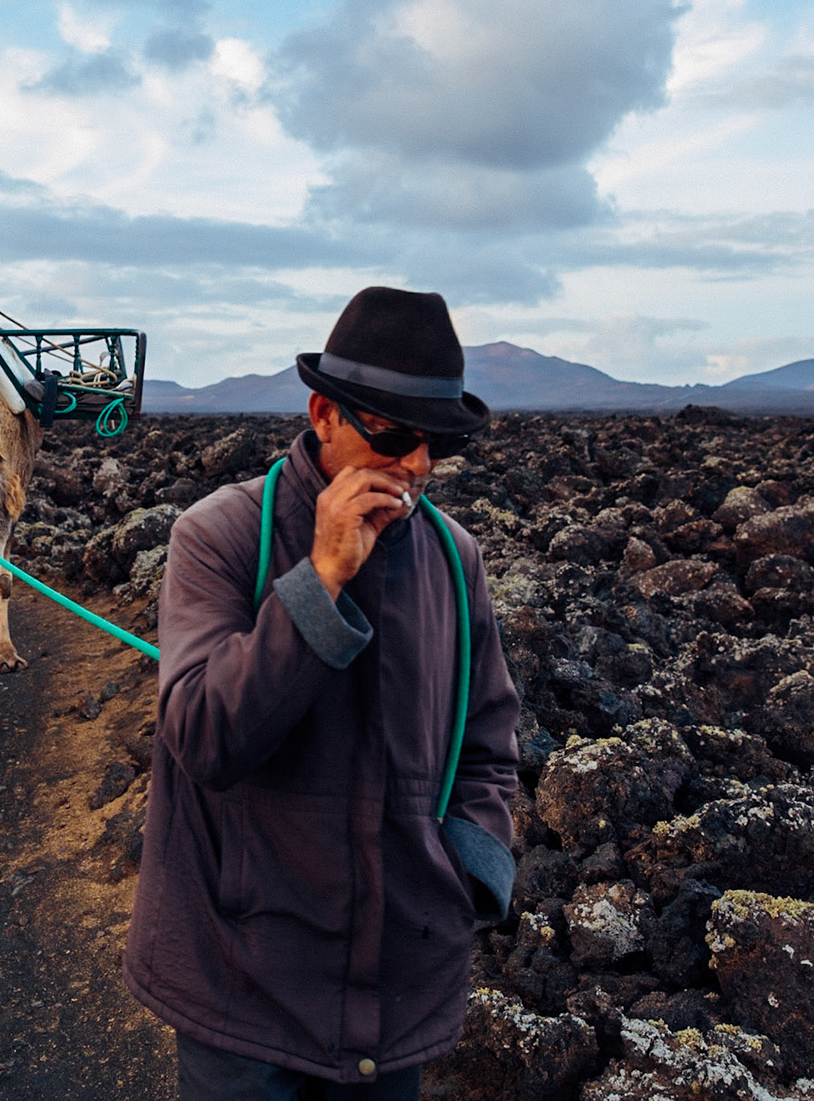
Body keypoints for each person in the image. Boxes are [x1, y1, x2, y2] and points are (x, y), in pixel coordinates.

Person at [124, 287, 521, 1100]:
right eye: (395, 434)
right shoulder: (220, 535)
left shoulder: (457, 559)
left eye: (436, 443)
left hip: (398, 976)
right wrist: (324, 579)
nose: (417, 464)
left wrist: (468, 872)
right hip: (241, 981)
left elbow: (488, 734)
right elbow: (203, 737)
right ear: (323, 413)